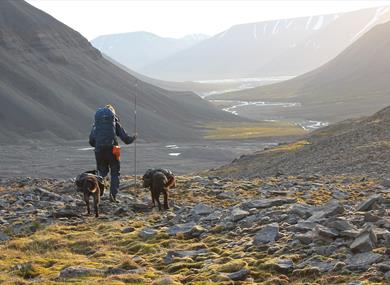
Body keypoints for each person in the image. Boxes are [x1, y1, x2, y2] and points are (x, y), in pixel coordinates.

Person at [89, 104, 136, 203]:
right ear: (113, 113)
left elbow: (91, 141)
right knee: (115, 173)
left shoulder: (96, 124)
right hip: (113, 150)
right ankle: (113, 196)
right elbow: (126, 139)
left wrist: (99, 145)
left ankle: (98, 196)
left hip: (99, 151)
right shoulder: (114, 122)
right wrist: (134, 137)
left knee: (101, 173)